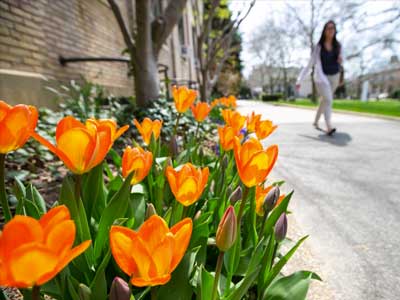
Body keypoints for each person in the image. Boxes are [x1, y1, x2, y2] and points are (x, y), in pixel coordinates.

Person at [296, 20, 343, 136]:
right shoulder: (319, 47)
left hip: (335, 77)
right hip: (322, 78)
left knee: (325, 101)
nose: (331, 30)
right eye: (328, 28)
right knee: (328, 100)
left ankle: (316, 121)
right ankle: (329, 126)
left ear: (335, 30)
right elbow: (309, 65)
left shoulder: (338, 46)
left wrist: (341, 64)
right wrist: (299, 80)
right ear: (324, 30)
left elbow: (341, 62)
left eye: (333, 28)